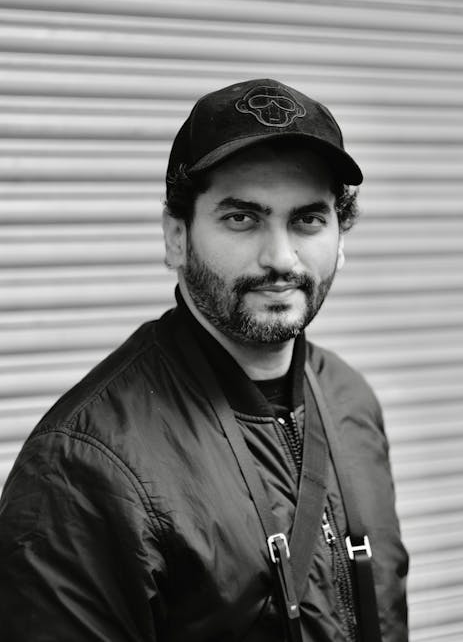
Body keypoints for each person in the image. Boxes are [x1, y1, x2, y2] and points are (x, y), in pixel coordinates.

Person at [0, 78, 408, 642]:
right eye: (242, 218)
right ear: (176, 237)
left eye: (307, 220)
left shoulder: (349, 399)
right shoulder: (85, 466)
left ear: (340, 237)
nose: (281, 257)